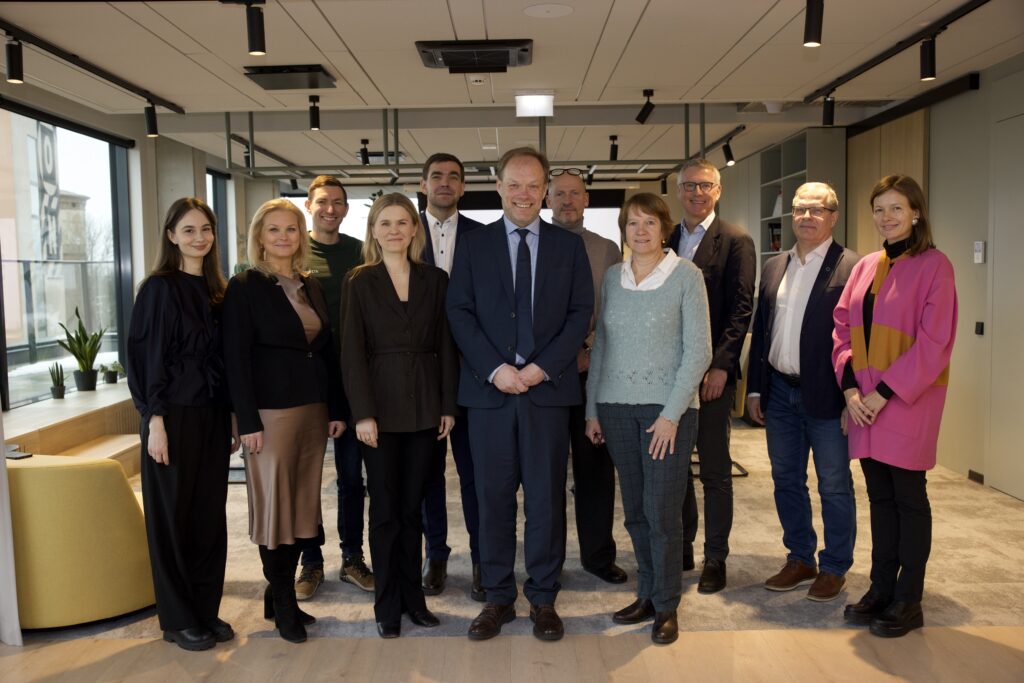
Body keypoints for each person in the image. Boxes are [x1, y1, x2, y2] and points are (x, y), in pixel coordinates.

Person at [447, 147, 593, 642]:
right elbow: (459, 311)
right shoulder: (473, 245)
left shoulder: (568, 247)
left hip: (546, 394)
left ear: (546, 190)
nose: (524, 194)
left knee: (546, 500)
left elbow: (579, 314)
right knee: (492, 499)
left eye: (533, 185)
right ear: (499, 187)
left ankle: (544, 597)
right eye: (514, 184)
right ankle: (497, 597)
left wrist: (538, 369)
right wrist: (495, 370)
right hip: (489, 396)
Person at [833, 174, 957, 638]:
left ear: (916, 213)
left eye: (896, 208)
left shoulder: (935, 266)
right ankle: (881, 587)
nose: (886, 217)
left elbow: (934, 343)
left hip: (906, 401)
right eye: (879, 209)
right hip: (864, 404)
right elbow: (841, 329)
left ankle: (909, 598)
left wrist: (882, 394)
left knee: (909, 499)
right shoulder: (866, 265)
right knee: (879, 499)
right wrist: (850, 390)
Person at [584, 193, 711, 645]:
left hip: (667, 414)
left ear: (664, 228)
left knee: (662, 512)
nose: (640, 231)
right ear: (624, 230)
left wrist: (672, 414)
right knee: (636, 511)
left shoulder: (686, 276)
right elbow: (602, 346)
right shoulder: (613, 278)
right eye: (632, 223)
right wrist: (592, 408)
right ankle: (647, 593)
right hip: (615, 409)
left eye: (649, 223)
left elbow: (699, 351)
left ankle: (667, 604)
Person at [223, 199, 346, 643]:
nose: (282, 236)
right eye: (273, 229)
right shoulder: (245, 286)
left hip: (312, 411)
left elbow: (326, 351)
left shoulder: (309, 285)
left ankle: (278, 599)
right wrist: (247, 420)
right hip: (269, 416)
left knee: (300, 508)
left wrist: (335, 408)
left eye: (291, 228)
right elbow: (235, 358)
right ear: (259, 236)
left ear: (301, 235)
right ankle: (283, 599)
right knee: (276, 510)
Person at [341, 193, 459, 638]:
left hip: (427, 407)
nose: (394, 230)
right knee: (386, 512)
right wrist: (362, 414)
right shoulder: (359, 280)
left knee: (414, 510)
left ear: (414, 229)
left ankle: (414, 600)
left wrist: (447, 405)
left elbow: (446, 345)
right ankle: (386, 604)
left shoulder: (436, 279)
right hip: (380, 411)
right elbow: (352, 352)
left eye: (402, 222)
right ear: (373, 231)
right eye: (385, 223)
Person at [126, 197, 236, 652]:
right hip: (171, 415)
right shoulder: (159, 288)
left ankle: (205, 610)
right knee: (171, 518)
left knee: (208, 517)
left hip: (212, 414)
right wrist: (154, 419)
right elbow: (146, 357)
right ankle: (176, 618)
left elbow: (226, 361)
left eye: (206, 229)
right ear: (171, 236)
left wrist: (231, 415)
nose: (199, 237)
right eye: (189, 230)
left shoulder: (218, 291)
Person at [746, 183, 860, 602]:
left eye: (817, 209)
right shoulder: (775, 265)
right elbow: (762, 331)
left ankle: (834, 566)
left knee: (833, 483)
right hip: (779, 391)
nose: (807, 216)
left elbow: (860, 338)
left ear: (833, 216)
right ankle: (800, 558)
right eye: (800, 209)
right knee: (786, 479)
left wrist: (852, 395)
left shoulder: (852, 267)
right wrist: (754, 391)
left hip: (828, 395)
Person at [667, 158, 756, 592]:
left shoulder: (736, 240)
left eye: (705, 186)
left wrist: (721, 365)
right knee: (676, 467)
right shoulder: (666, 239)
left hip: (711, 377)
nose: (697, 193)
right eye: (689, 185)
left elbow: (741, 309)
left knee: (715, 471)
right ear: (678, 191)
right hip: (672, 375)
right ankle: (682, 545)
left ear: (718, 191)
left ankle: (715, 557)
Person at [545, 167, 626, 585]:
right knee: (547, 475)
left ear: (587, 199)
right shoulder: (535, 243)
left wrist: (588, 350)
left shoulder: (607, 250)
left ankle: (597, 556)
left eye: (575, 193)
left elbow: (616, 312)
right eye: (559, 194)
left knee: (595, 471)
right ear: (548, 199)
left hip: (592, 375)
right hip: (546, 378)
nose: (567, 201)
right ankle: (549, 561)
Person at [295, 175, 374, 601]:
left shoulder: (361, 253)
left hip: (350, 379)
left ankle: (352, 557)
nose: (331, 209)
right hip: (305, 381)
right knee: (306, 478)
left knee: (350, 478)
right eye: (323, 201)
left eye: (338, 202)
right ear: (309, 206)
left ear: (346, 209)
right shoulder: (293, 250)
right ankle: (310, 561)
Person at [417, 153, 486, 601]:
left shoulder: (484, 237)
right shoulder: (403, 232)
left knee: (475, 474)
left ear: (462, 187)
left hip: (472, 373)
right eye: (437, 176)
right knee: (428, 474)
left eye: (453, 177)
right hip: (421, 376)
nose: (445, 183)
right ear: (423, 184)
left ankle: (483, 558)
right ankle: (436, 554)